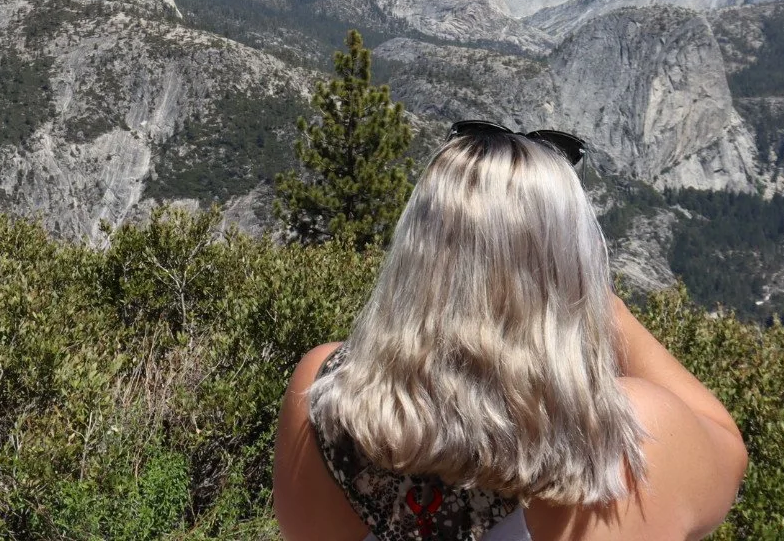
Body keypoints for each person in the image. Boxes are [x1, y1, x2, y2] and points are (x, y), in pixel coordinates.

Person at [274, 122, 748, 541]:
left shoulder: (323, 397)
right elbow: (727, 449)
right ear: (572, 264)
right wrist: (605, 308)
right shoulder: (628, 437)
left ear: (415, 257)